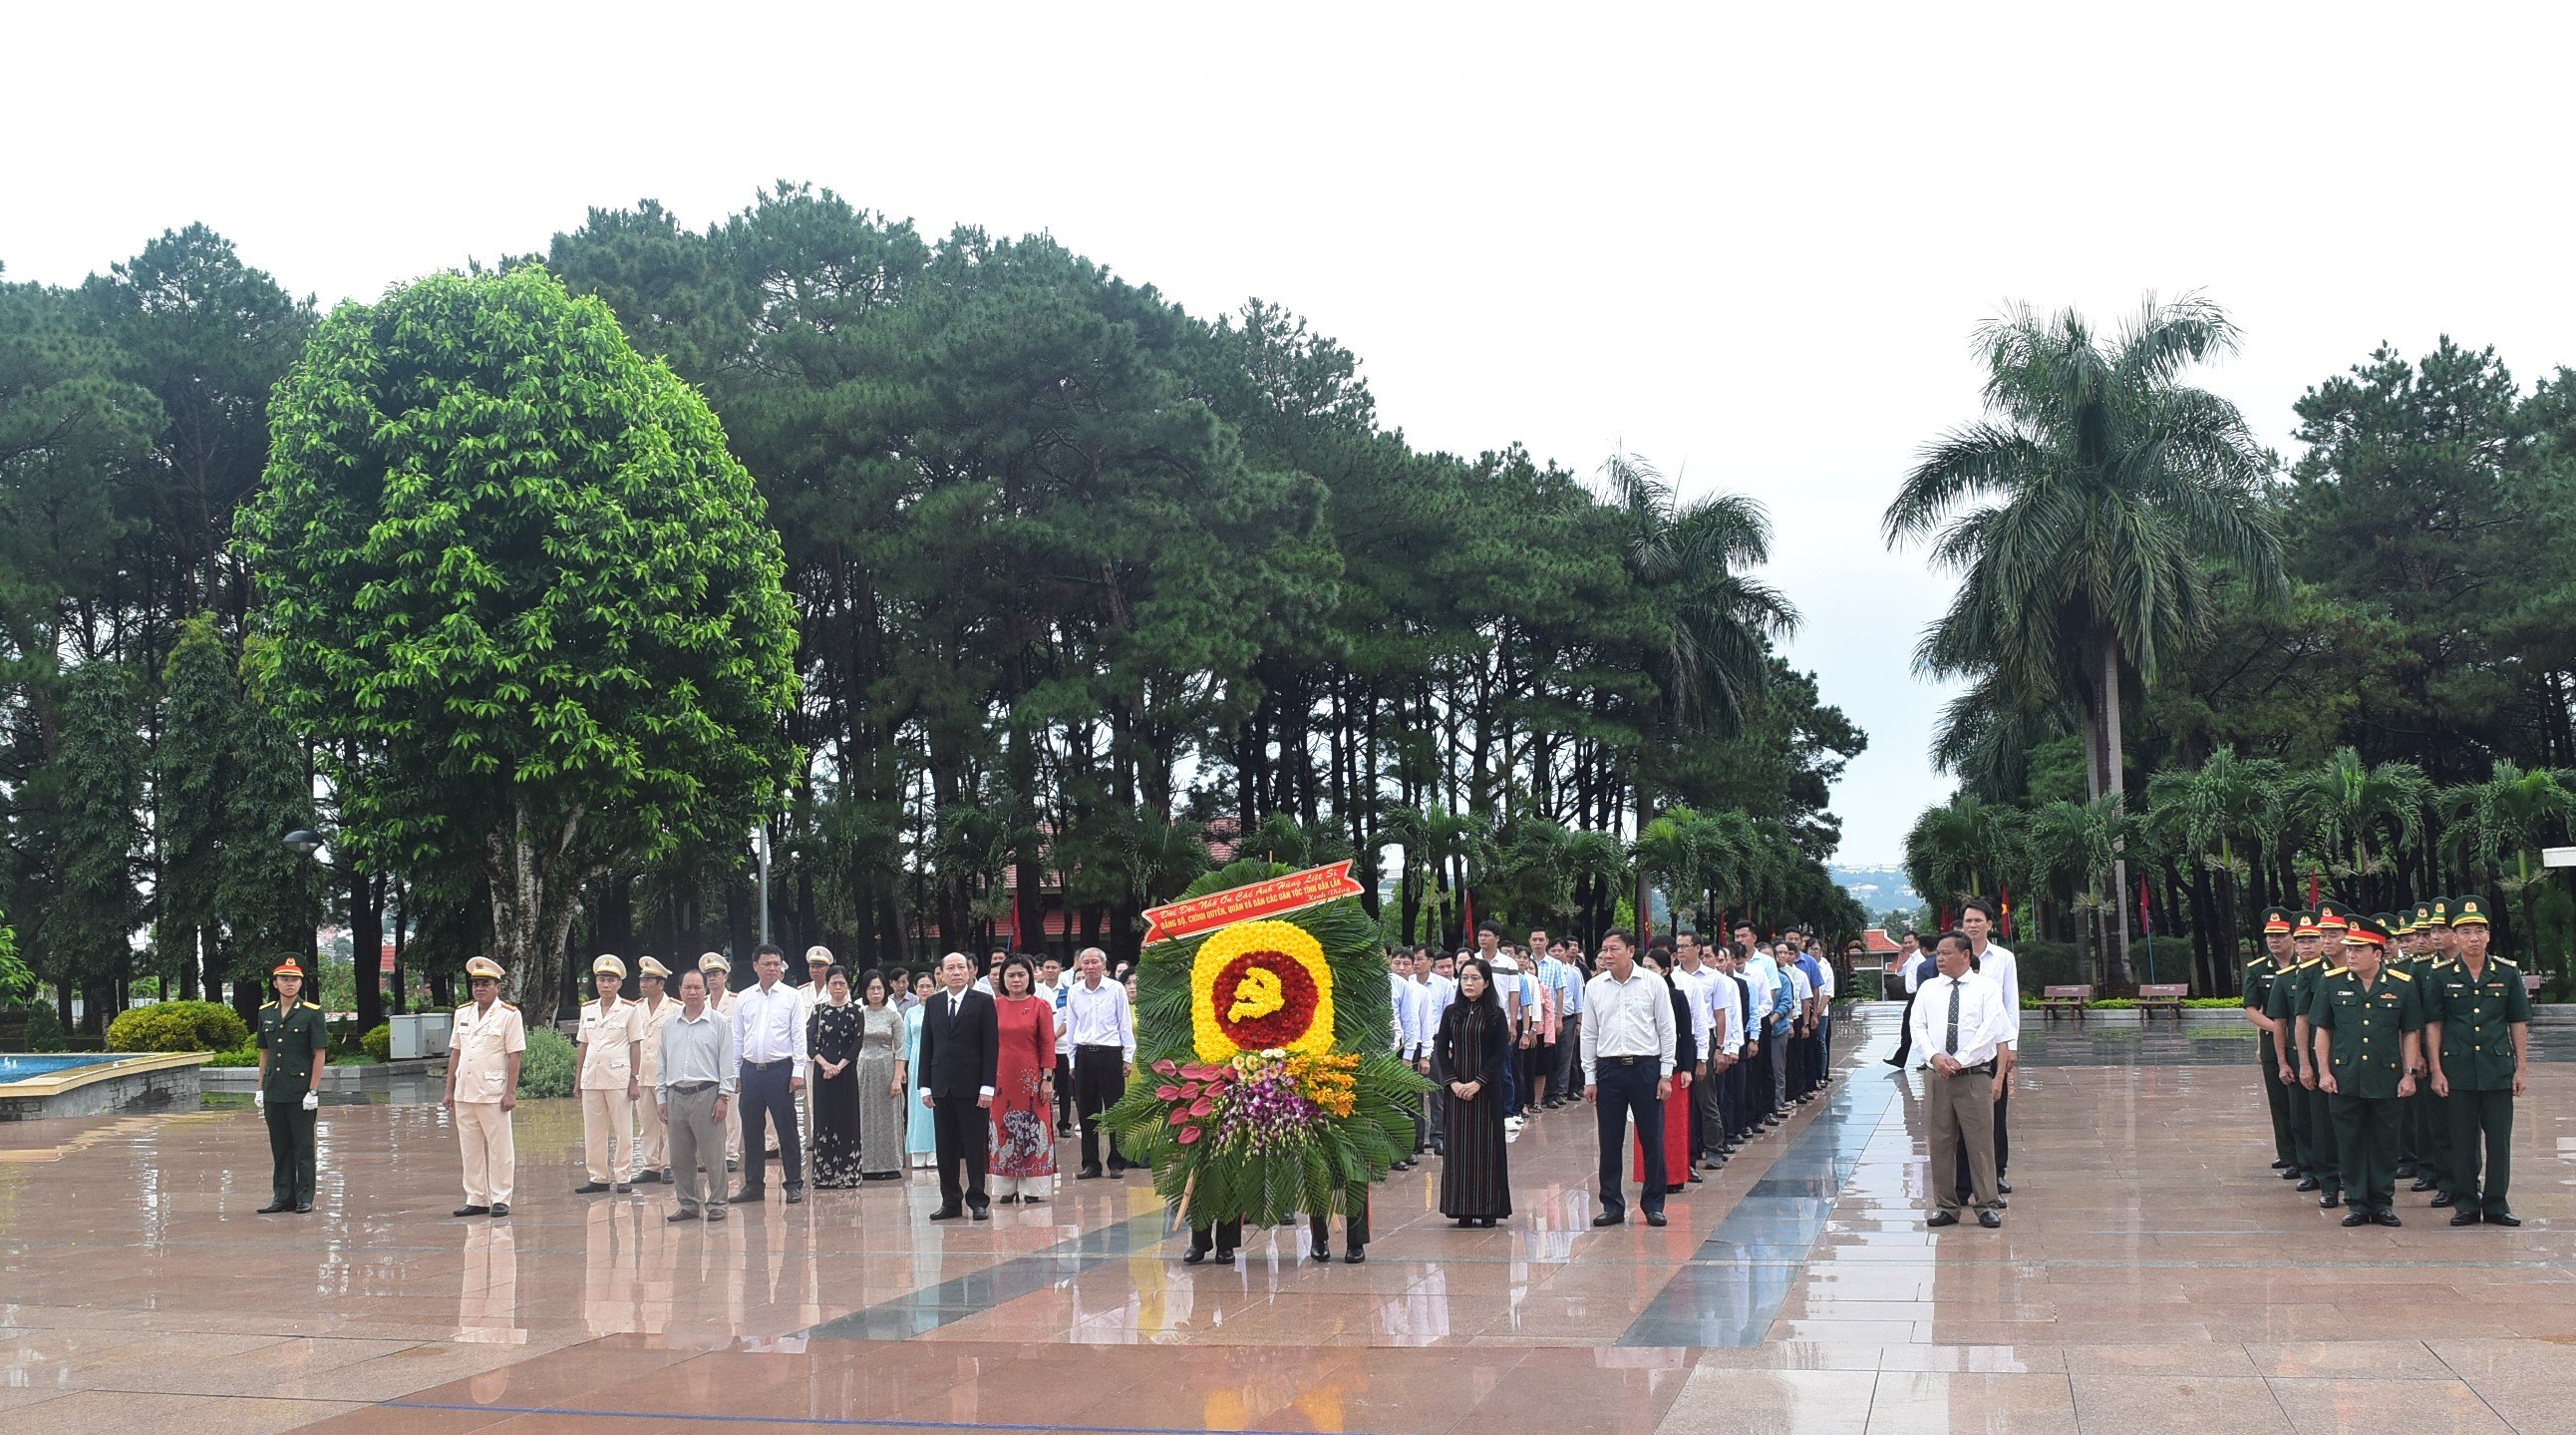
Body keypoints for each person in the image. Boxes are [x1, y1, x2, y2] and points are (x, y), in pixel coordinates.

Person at [2311, 914, 2422, 1227]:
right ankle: (2357, 1203)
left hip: (2386, 1077)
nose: (2351, 955)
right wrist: (2324, 1071)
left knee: (2386, 1143)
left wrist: (2409, 1073)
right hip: (2344, 1077)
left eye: (2359, 949)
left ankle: (2383, 1203)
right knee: (2350, 1141)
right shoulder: (2331, 983)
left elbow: (2411, 1031)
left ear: (2378, 953)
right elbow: (2323, 1030)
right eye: (2349, 950)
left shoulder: (2402, 985)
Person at [2425, 895, 2529, 1226]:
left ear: (2488, 935)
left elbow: (2517, 1021)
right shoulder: (2440, 975)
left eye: (2479, 930)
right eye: (2466, 931)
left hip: (2497, 1068)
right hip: (2457, 1070)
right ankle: (2467, 1202)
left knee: (2499, 1140)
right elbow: (2435, 1024)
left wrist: (2522, 1067)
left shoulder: (2507, 973)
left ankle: (2497, 1203)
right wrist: (2437, 1069)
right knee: (2462, 1140)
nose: (2473, 938)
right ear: (2455, 936)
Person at [1909, 930, 2009, 1228]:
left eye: (1946, 953)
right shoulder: (1928, 989)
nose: (1939, 958)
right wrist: (1934, 1057)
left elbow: (1990, 1028)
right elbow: (1917, 1025)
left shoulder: (1985, 988)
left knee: (1979, 1141)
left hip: (1973, 1075)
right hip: (1938, 1075)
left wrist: (1960, 1059)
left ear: (1965, 955)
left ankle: (1986, 1203)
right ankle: (1947, 1206)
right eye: (1937, 953)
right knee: (1940, 1141)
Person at [1582, 929, 1676, 1228]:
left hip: (1645, 1068)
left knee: (1652, 1138)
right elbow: (1589, 1033)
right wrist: (1590, 1077)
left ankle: (1653, 1205)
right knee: (1609, 1141)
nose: (1608, 955)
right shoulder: (1595, 987)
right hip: (1609, 1069)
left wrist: (1665, 1073)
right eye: (1604, 950)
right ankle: (1611, 1205)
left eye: (1614, 949)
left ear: (1631, 951)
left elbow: (1666, 1029)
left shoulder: (1653, 983)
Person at [918, 951, 1001, 1219]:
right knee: (946, 1147)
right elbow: (927, 1045)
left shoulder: (984, 1002)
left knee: (975, 1146)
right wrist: (925, 1085)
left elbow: (991, 1047)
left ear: (970, 972)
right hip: (942, 1085)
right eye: (950, 968)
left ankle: (977, 1199)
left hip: (973, 1087)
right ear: (941, 973)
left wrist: (988, 1086)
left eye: (961, 967)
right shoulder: (934, 1003)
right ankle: (950, 1201)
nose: (956, 972)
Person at [445, 955, 525, 1219]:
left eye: (486, 983)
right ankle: (477, 1197)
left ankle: (501, 1197)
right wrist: (449, 1090)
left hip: (493, 1092)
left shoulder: (509, 1015)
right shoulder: (462, 1013)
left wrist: (510, 1092)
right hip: (465, 1091)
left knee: (500, 1148)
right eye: (476, 983)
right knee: (470, 1149)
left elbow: (514, 1055)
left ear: (497, 986)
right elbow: (456, 1052)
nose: (480, 988)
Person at [1436, 956, 1512, 1226]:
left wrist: (1478, 1082)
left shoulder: (1495, 1015)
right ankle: (1462, 1208)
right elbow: (1441, 1051)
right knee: (1459, 1148)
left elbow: (1500, 1053)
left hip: (1486, 1090)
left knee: (1486, 1147)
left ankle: (1488, 1208)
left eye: (1475, 978)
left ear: (1487, 983)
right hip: (1456, 1091)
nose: (1469, 983)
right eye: (1465, 978)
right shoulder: (1451, 1013)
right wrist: (1453, 1082)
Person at [730, 943, 808, 1206]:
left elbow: (799, 1037)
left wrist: (798, 1072)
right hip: (751, 1071)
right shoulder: (744, 997)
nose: (772, 968)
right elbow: (737, 1037)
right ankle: (753, 1184)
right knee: (751, 1130)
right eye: (767, 964)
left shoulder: (791, 997)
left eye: (776, 964)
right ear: (755, 966)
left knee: (787, 1130)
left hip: (781, 1071)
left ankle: (793, 1184)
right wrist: (735, 1071)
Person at [656, 967, 737, 1222]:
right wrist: (661, 1098)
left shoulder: (719, 1023)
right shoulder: (669, 1025)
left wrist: (723, 1097)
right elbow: (662, 1063)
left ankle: (717, 1203)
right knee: (679, 1157)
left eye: (697, 988)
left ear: (705, 990)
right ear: (679, 991)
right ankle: (688, 1204)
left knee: (713, 1156)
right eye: (687, 988)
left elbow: (727, 1063)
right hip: (675, 1095)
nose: (692, 992)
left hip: (707, 1094)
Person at [1954, 899, 2019, 1205]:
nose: (1973, 925)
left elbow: (2010, 1003)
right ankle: (1964, 1180)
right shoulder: (1956, 955)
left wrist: (2012, 1046)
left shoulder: (2003, 959)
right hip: (1963, 1049)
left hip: (1995, 1046)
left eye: (1978, 920)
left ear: (1990, 924)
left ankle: (1997, 1171)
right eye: (1968, 920)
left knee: (1996, 1109)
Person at [255, 956, 327, 1215]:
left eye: (294, 979)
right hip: (275, 1089)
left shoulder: (311, 1013)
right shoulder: (266, 1013)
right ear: (275, 982)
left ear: (301, 983)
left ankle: (304, 1196)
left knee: (303, 1147)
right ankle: (282, 1195)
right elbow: (264, 1052)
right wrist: (260, 1088)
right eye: (284, 979)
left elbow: (319, 1053)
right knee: (280, 1146)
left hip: (300, 1090)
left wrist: (313, 1090)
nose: (289, 983)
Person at [989, 954, 1059, 1204]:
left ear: (1030, 977)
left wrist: (1047, 1077)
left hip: (1032, 1079)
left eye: (1021, 974)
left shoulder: (1040, 1006)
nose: (1016, 979)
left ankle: (1033, 1188)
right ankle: (1005, 1187)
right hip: (1000, 1079)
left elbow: (1048, 1045)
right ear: (1001, 979)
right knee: (1002, 1128)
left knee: (1033, 1129)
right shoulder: (994, 1006)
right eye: (1010, 975)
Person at [575, 953, 644, 1196]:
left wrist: (634, 1079)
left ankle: (623, 1175)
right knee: (593, 1129)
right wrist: (577, 1082)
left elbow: (636, 1045)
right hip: (591, 1078)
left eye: (611, 980)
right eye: (602, 980)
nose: (606, 985)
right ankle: (598, 1176)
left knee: (623, 1129)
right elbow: (583, 1045)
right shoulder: (588, 1009)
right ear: (596, 982)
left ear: (619, 984)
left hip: (619, 1078)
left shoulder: (629, 1010)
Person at [1064, 947, 1135, 1179]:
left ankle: (1116, 1161)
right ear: (1080, 965)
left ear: (1104, 966)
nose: (1090, 966)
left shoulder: (1115, 989)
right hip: (1084, 1054)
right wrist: (1071, 1060)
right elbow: (1072, 1027)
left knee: (1114, 1109)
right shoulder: (1075, 991)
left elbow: (1124, 1023)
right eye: (1086, 962)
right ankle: (1091, 1163)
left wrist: (1127, 1057)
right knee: (1086, 1110)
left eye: (1095, 962)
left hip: (1110, 1054)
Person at [2243, 908, 2302, 1180]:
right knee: (2280, 1101)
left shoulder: (2308, 964)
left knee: (2305, 1101)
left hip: (2305, 1042)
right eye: (2270, 936)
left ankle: (2308, 1153)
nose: (2274, 940)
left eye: (2280, 935)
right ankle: (2288, 1155)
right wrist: (2278, 1028)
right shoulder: (2258, 969)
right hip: (2272, 1043)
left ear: (2292, 937)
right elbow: (2252, 1010)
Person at [1633, 949, 1697, 1192]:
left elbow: (1686, 1035)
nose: (1645, 972)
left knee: (1673, 1127)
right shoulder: (1637, 994)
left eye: (1651, 967)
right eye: (1644, 967)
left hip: (1674, 1068)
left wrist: (1688, 1067)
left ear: (1665, 970)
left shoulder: (1677, 996)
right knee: (1646, 1125)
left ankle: (1674, 1176)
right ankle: (1648, 1175)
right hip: (1645, 1067)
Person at [806, 966, 862, 1188]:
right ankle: (824, 1175)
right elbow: (809, 1041)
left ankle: (848, 1173)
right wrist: (825, 1065)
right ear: (827, 985)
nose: (837, 987)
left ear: (848, 985)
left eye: (842, 983)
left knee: (846, 1120)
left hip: (846, 1073)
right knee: (824, 1120)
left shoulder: (855, 1012)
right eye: (833, 983)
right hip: (823, 1074)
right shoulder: (818, 1011)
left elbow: (857, 1043)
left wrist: (838, 1066)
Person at [850, 971, 907, 1181]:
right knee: (864, 1114)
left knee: (888, 1117)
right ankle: (865, 1164)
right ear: (865, 991)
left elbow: (901, 1049)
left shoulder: (893, 1016)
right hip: (863, 1068)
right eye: (871, 988)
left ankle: (890, 1164)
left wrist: (897, 1077)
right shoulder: (858, 1013)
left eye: (879, 988)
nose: (876, 992)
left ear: (885, 990)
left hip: (886, 1067)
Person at [630, 956, 678, 1185]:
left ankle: (670, 1164)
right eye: (642, 979)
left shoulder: (676, 1008)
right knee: (646, 1122)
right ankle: (650, 1165)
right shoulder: (635, 1009)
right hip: (642, 1073)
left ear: (661, 984)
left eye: (649, 980)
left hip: (667, 1075)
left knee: (668, 1122)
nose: (644, 983)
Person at [902, 971, 938, 1170]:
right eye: (921, 987)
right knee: (916, 1107)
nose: (925, 990)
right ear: (915, 989)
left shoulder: (940, 1009)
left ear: (935, 987)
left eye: (928, 986)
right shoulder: (911, 1013)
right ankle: (917, 1151)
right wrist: (903, 1068)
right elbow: (906, 1042)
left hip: (936, 1061)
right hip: (916, 1063)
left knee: (935, 1108)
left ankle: (934, 1152)